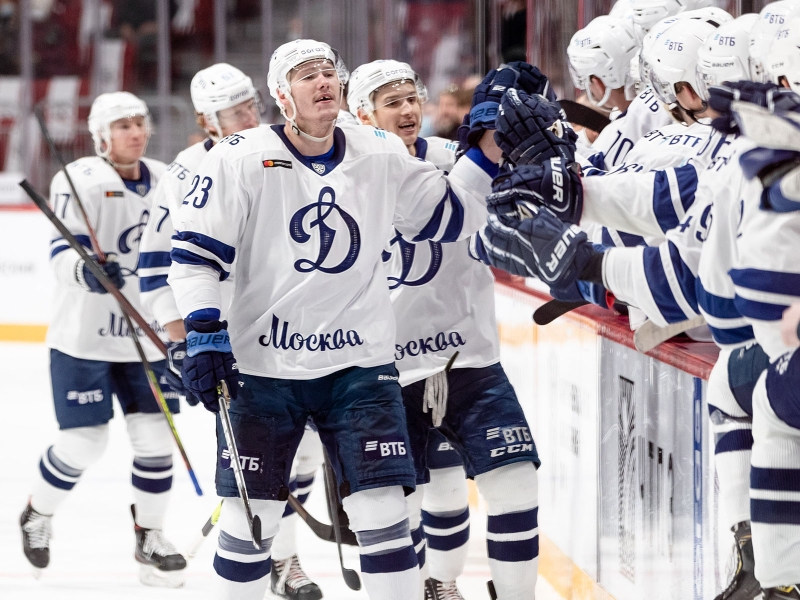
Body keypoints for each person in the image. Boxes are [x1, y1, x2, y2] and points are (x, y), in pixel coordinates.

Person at [167, 39, 502, 600]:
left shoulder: (380, 150)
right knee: (251, 521)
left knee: (384, 512)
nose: (323, 81)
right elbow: (196, 257)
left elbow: (448, 217)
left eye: (329, 72)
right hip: (264, 370)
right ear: (281, 97)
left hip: (359, 367)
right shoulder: (238, 157)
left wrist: (487, 151)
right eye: (306, 75)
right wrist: (203, 333)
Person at [348, 59, 542, 600]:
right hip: (382, 372)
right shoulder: (350, 175)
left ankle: (468, 587)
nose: (408, 110)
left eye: (413, 98)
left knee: (515, 482)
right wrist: (488, 145)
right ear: (363, 115)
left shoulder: (448, 157)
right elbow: (449, 214)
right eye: (392, 102)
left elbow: (507, 211)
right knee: (396, 506)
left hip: (467, 359)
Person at [137, 62, 326, 600]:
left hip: (294, 331)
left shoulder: (283, 150)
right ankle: (278, 559)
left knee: (305, 453)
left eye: (250, 107)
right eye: (233, 112)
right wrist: (183, 338)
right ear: (205, 120)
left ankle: (282, 556)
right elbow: (158, 263)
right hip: (225, 339)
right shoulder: (184, 173)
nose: (247, 118)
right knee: (256, 459)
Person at [18, 91, 187, 587]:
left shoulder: (168, 178)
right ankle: (37, 513)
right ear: (101, 136)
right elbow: (60, 251)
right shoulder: (78, 178)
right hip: (84, 338)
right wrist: (85, 270)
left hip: (146, 335)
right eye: (123, 125)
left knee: (156, 439)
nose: (135, 132)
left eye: (139, 123)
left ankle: (150, 536)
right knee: (85, 442)